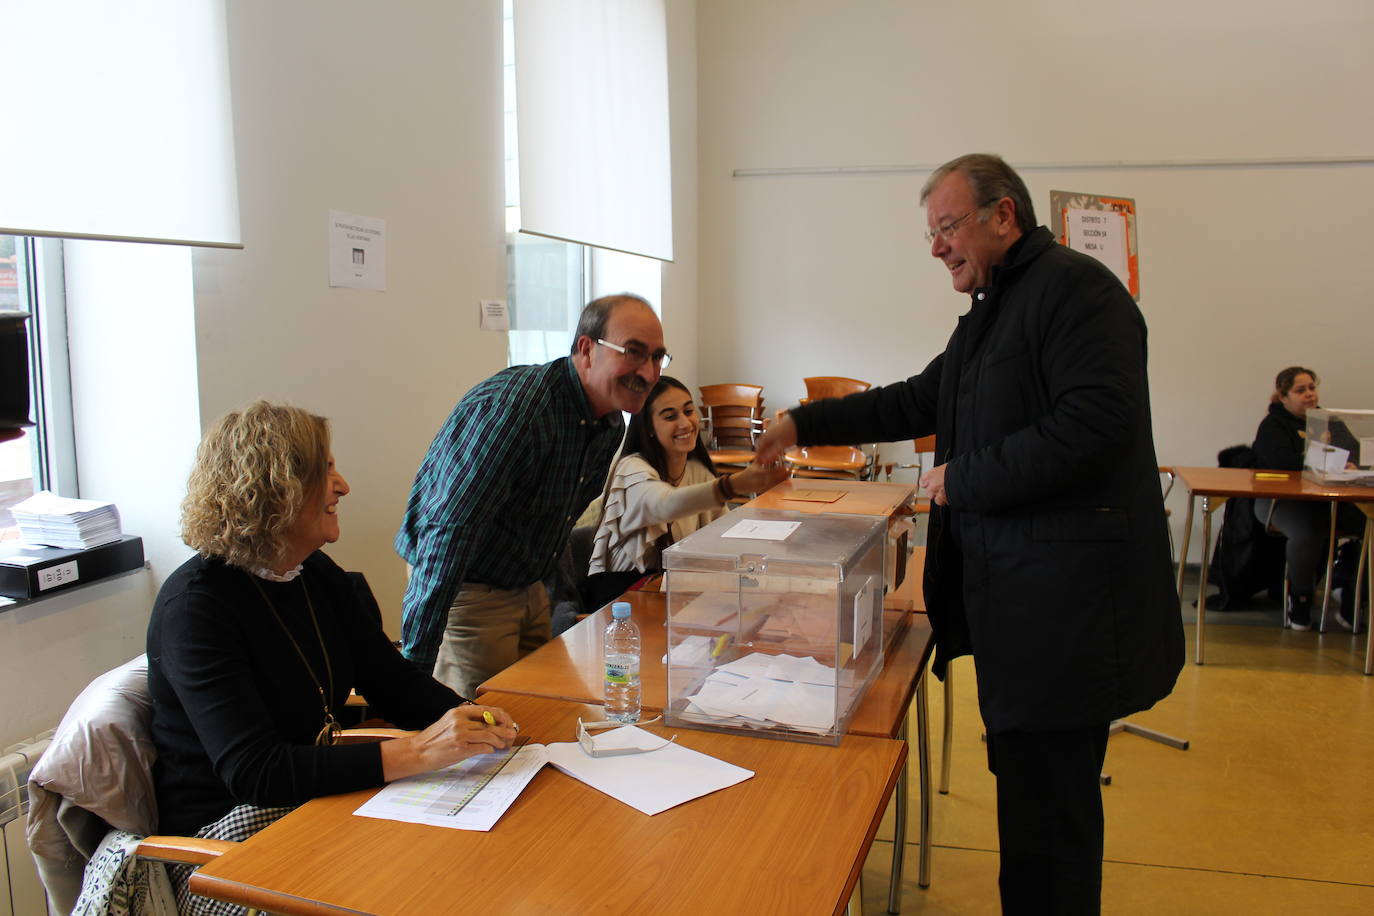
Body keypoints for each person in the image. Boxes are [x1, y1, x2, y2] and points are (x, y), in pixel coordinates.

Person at [755, 153, 1184, 913]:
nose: (937, 247)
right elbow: (915, 401)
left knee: (1050, 835)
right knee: (1032, 817)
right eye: (932, 233)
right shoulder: (995, 312)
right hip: (1022, 613)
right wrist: (802, 422)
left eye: (947, 227)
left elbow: (1095, 423)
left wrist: (959, 479)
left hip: (1066, 623)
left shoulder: (1079, 294)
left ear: (1004, 215)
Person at [147, 402, 516, 913]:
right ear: (276, 487)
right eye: (326, 471)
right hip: (228, 842)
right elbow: (256, 772)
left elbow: (390, 680)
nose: (342, 485)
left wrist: (475, 720)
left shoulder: (312, 571)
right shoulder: (196, 608)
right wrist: (418, 753)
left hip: (313, 802)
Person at [396, 294, 666, 698]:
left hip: (528, 586)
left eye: (658, 357)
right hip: (468, 590)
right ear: (586, 349)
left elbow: (555, 524)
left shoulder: (609, 423)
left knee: (541, 717)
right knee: (480, 738)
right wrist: (412, 679)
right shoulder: (518, 410)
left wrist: (556, 606)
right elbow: (448, 533)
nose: (648, 372)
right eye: (634, 353)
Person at [583, 375, 787, 609]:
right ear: (648, 427)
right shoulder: (631, 469)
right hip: (619, 600)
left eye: (688, 411)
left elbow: (725, 534)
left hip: (669, 591)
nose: (685, 423)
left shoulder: (696, 470)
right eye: (670, 416)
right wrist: (733, 485)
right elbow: (664, 504)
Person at [1251, 366, 1364, 629]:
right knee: (1307, 531)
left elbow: (1355, 455)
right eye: (1300, 390)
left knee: (1368, 523)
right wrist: (1324, 461)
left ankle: (1353, 594)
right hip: (1281, 502)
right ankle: (1300, 599)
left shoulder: (1328, 420)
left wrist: (1350, 465)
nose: (1309, 395)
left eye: (1312, 387)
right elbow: (1281, 462)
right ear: (1283, 396)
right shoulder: (1273, 425)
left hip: (1329, 500)